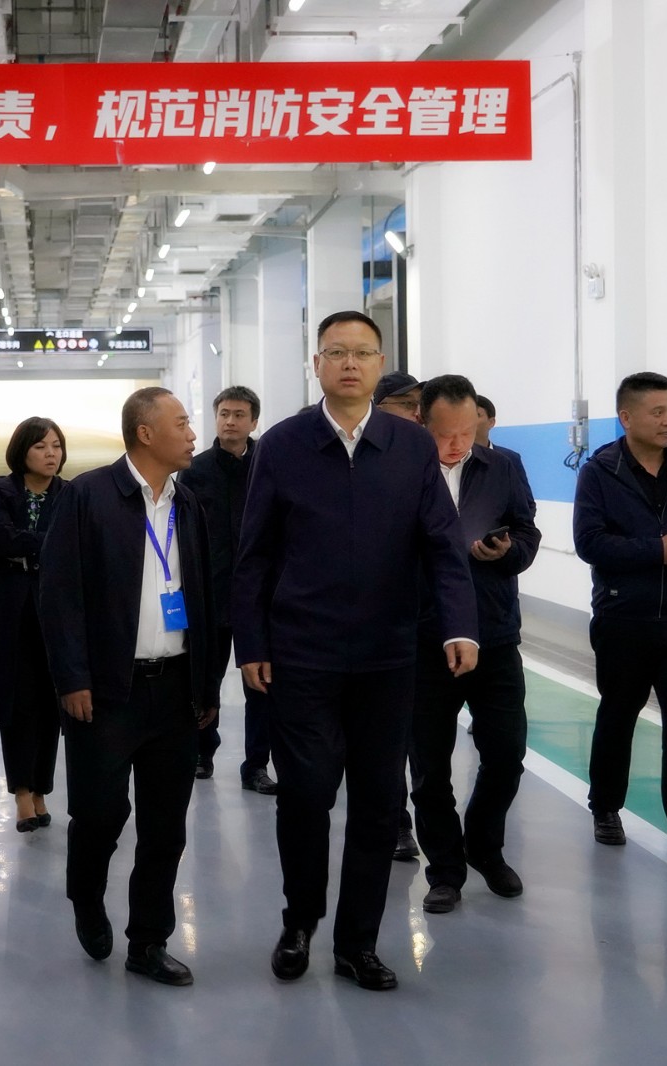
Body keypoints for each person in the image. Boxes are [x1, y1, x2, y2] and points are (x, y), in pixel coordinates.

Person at [235, 311, 479, 992]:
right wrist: (251, 641)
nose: (349, 363)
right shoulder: (282, 445)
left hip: (386, 655)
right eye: (336, 352)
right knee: (305, 794)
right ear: (316, 364)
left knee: (377, 802)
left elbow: (442, 544)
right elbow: (254, 554)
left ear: (379, 364)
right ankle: (299, 922)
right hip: (302, 652)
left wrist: (459, 626)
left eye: (363, 353)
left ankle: (357, 943)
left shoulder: (410, 445)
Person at [39, 388, 221, 987]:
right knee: (100, 815)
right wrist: (72, 678)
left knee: (166, 825)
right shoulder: (88, 496)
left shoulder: (188, 504)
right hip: (107, 690)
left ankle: (148, 940)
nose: (192, 434)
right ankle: (87, 899)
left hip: (176, 689)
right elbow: (59, 594)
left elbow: (204, 598)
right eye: (182, 423)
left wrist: (206, 687)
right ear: (146, 433)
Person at [572, 371, 667, 869]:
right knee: (618, 716)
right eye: (657, 412)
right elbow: (589, 542)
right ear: (627, 417)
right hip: (624, 619)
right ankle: (605, 808)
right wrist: (655, 551)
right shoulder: (601, 472)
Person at [410, 375, 539, 910]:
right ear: (421, 423)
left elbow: (527, 533)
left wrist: (506, 553)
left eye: (467, 432)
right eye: (445, 434)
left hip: (493, 632)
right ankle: (444, 870)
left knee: (507, 753)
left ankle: (484, 846)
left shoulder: (502, 466)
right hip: (424, 637)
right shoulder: (401, 470)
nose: (458, 444)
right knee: (429, 766)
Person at [0, 417, 68, 832]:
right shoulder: (1, 489)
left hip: (54, 606)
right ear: (22, 451)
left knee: (51, 701)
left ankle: (41, 790)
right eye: (41, 447)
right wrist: (51, 545)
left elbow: (75, 543)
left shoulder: (68, 493)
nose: (51, 454)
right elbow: (2, 538)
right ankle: (22, 793)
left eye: (56, 446)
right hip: (9, 607)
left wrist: (36, 545)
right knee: (19, 702)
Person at [178, 384, 274, 792]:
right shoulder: (194, 471)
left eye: (238, 415)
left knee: (262, 683)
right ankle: (203, 752)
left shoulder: (268, 465)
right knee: (205, 679)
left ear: (254, 422)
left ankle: (256, 766)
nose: (230, 422)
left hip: (260, 595)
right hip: (211, 592)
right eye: (224, 414)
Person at [369, 369, 425, 861]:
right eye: (406, 405)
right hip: (382, 625)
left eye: (419, 406)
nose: (416, 415)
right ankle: (396, 824)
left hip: (435, 623)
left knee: (426, 742)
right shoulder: (368, 464)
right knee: (387, 742)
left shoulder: (424, 457)